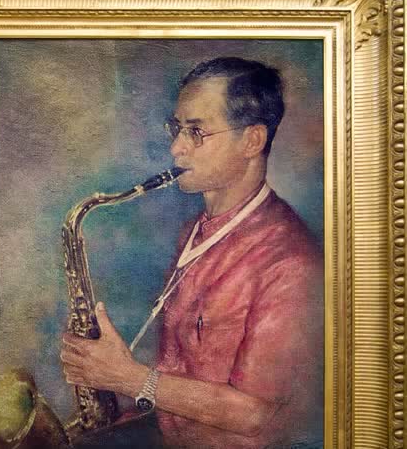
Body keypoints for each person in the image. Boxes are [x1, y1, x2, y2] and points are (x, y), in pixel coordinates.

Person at [61, 57, 324, 448]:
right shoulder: (194, 232)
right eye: (177, 129)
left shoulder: (289, 261)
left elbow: (257, 415)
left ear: (252, 141)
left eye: (196, 132)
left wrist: (129, 378)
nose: (176, 148)